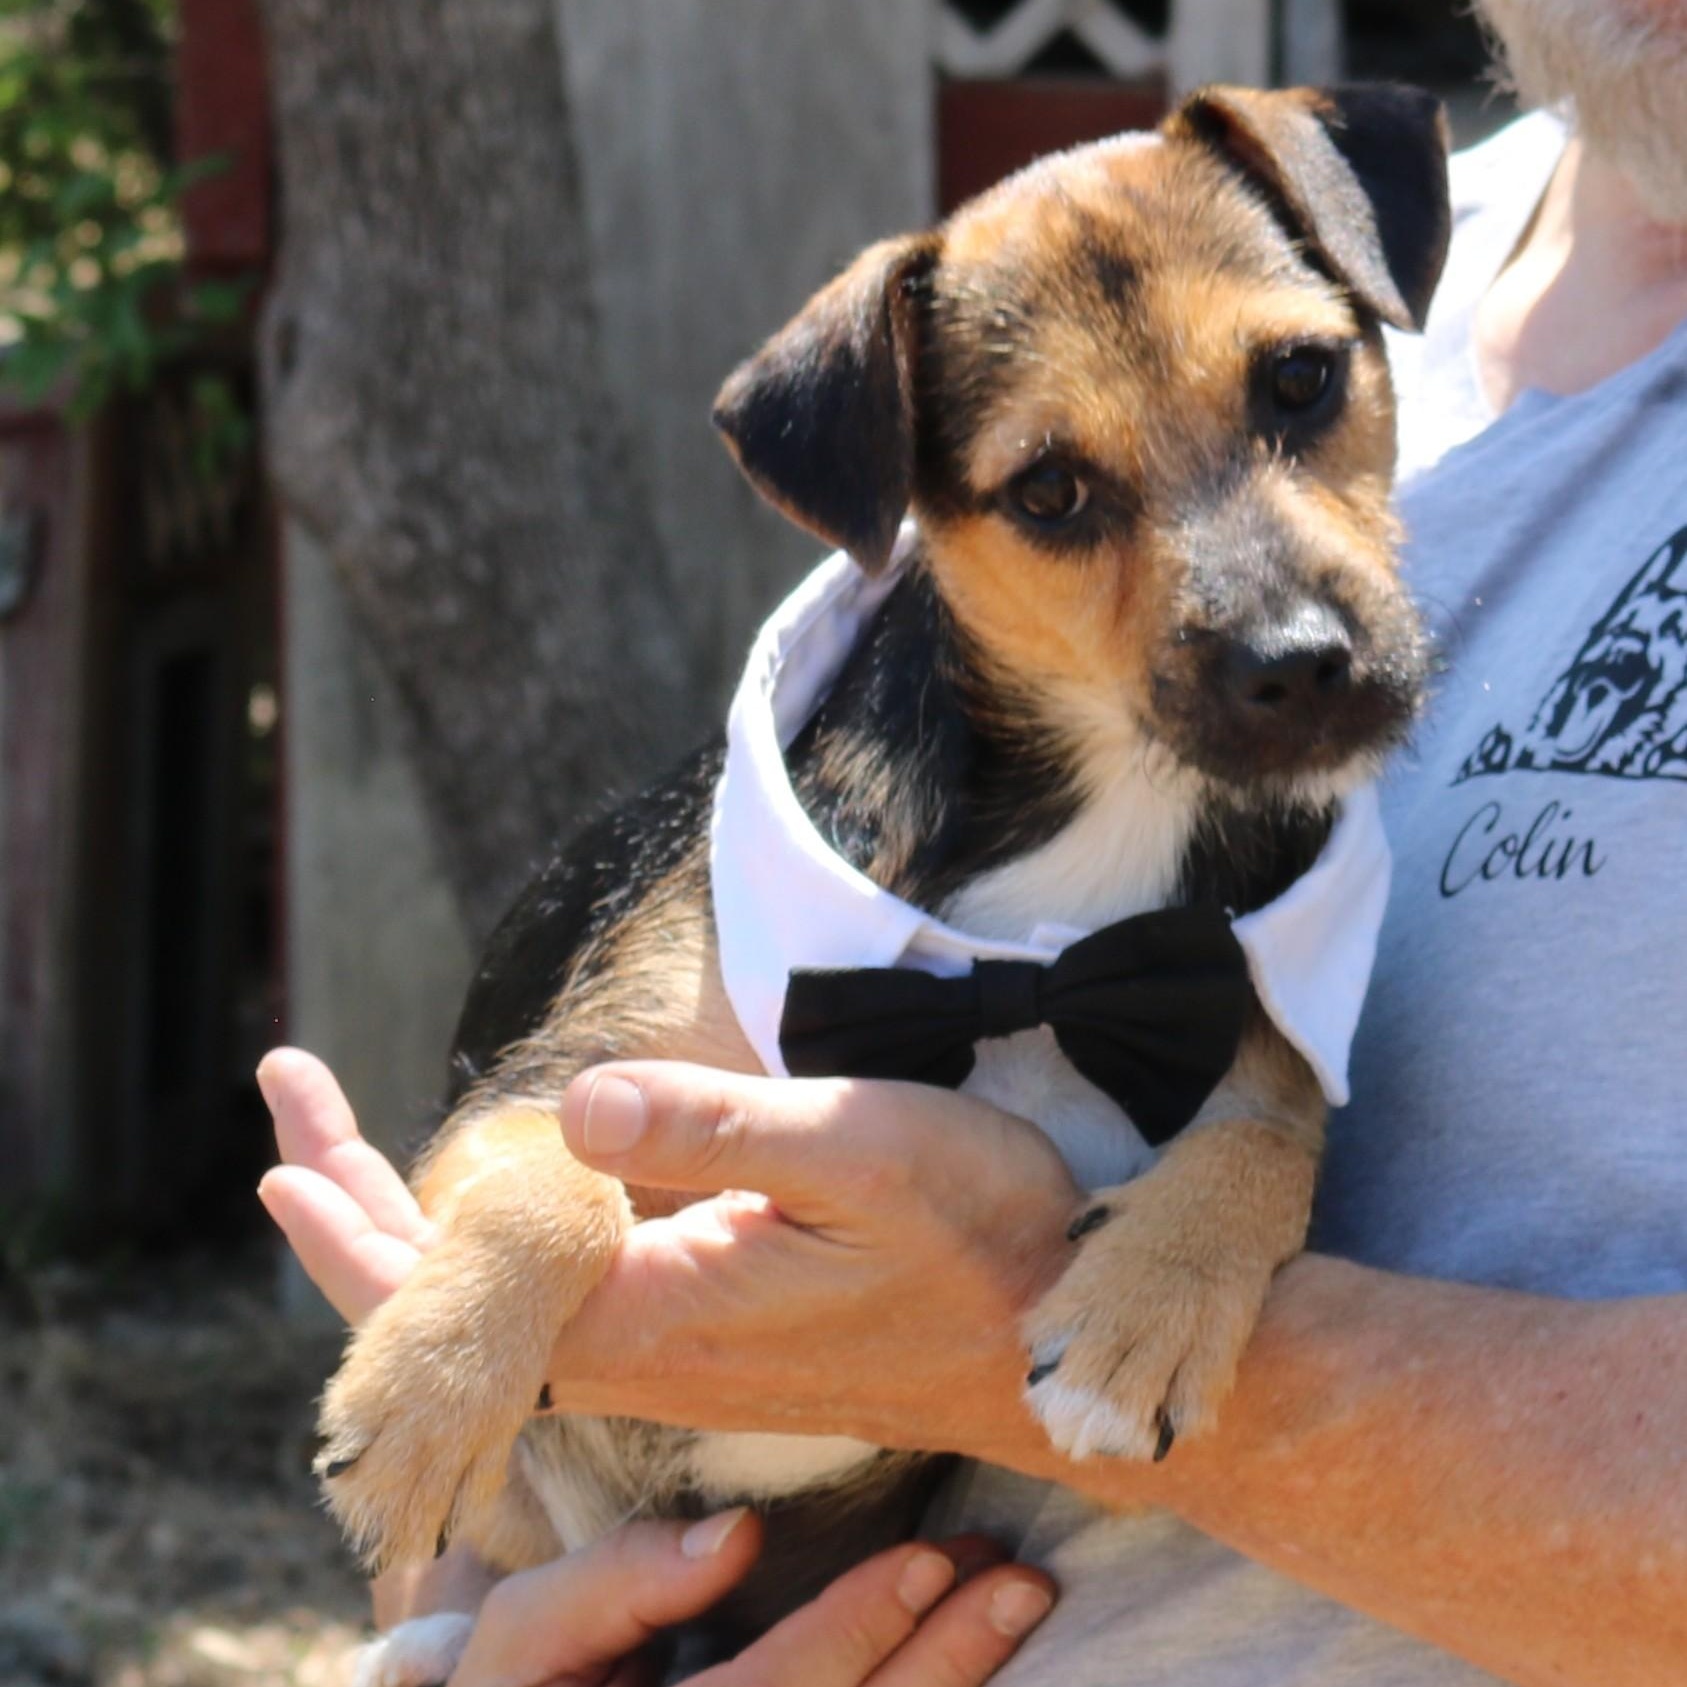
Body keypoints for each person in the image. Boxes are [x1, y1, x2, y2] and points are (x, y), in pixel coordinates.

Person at [260, 2, 1687, 1681]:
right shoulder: (1345, 239)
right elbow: (502, 1299)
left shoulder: (1321, 224)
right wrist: (460, 1641)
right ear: (909, 528)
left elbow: (1263, 1092)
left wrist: (997, 1315)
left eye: (1298, 392)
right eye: (1066, 501)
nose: (1276, 605)